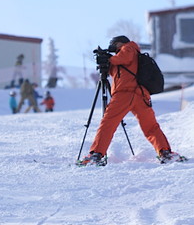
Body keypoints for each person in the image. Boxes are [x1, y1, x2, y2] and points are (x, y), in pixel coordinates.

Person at [79, 35, 185, 166]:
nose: (113, 47)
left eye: (114, 44)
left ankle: (96, 154)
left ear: (120, 43)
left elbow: (123, 57)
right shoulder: (126, 59)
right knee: (151, 127)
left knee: (108, 124)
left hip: (125, 95)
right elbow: (116, 71)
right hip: (140, 95)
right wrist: (105, 63)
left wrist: (109, 58)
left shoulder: (129, 47)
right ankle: (165, 153)